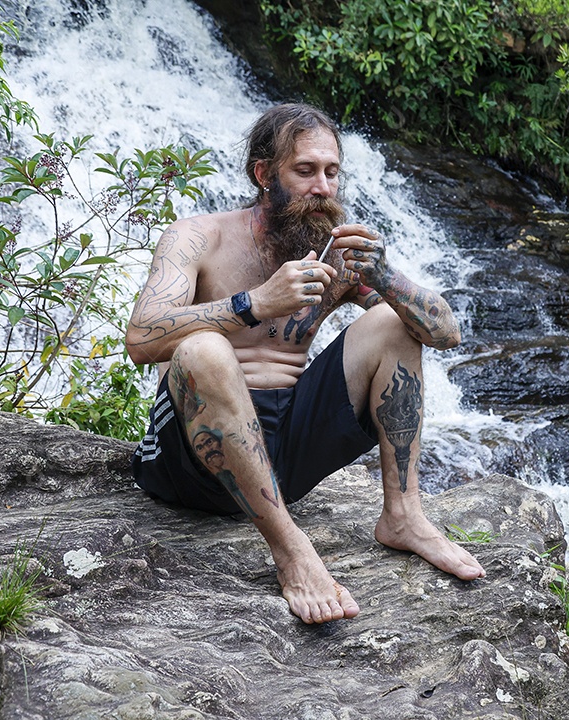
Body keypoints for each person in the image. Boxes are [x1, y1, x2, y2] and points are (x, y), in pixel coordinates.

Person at [125, 102, 485, 625]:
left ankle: (404, 515)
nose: (323, 187)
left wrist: (387, 279)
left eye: (332, 172)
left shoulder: (334, 256)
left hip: (284, 460)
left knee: (392, 320)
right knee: (203, 348)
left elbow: (445, 333)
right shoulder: (198, 237)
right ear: (263, 173)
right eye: (305, 171)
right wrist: (255, 304)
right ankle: (292, 550)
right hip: (195, 461)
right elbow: (140, 338)